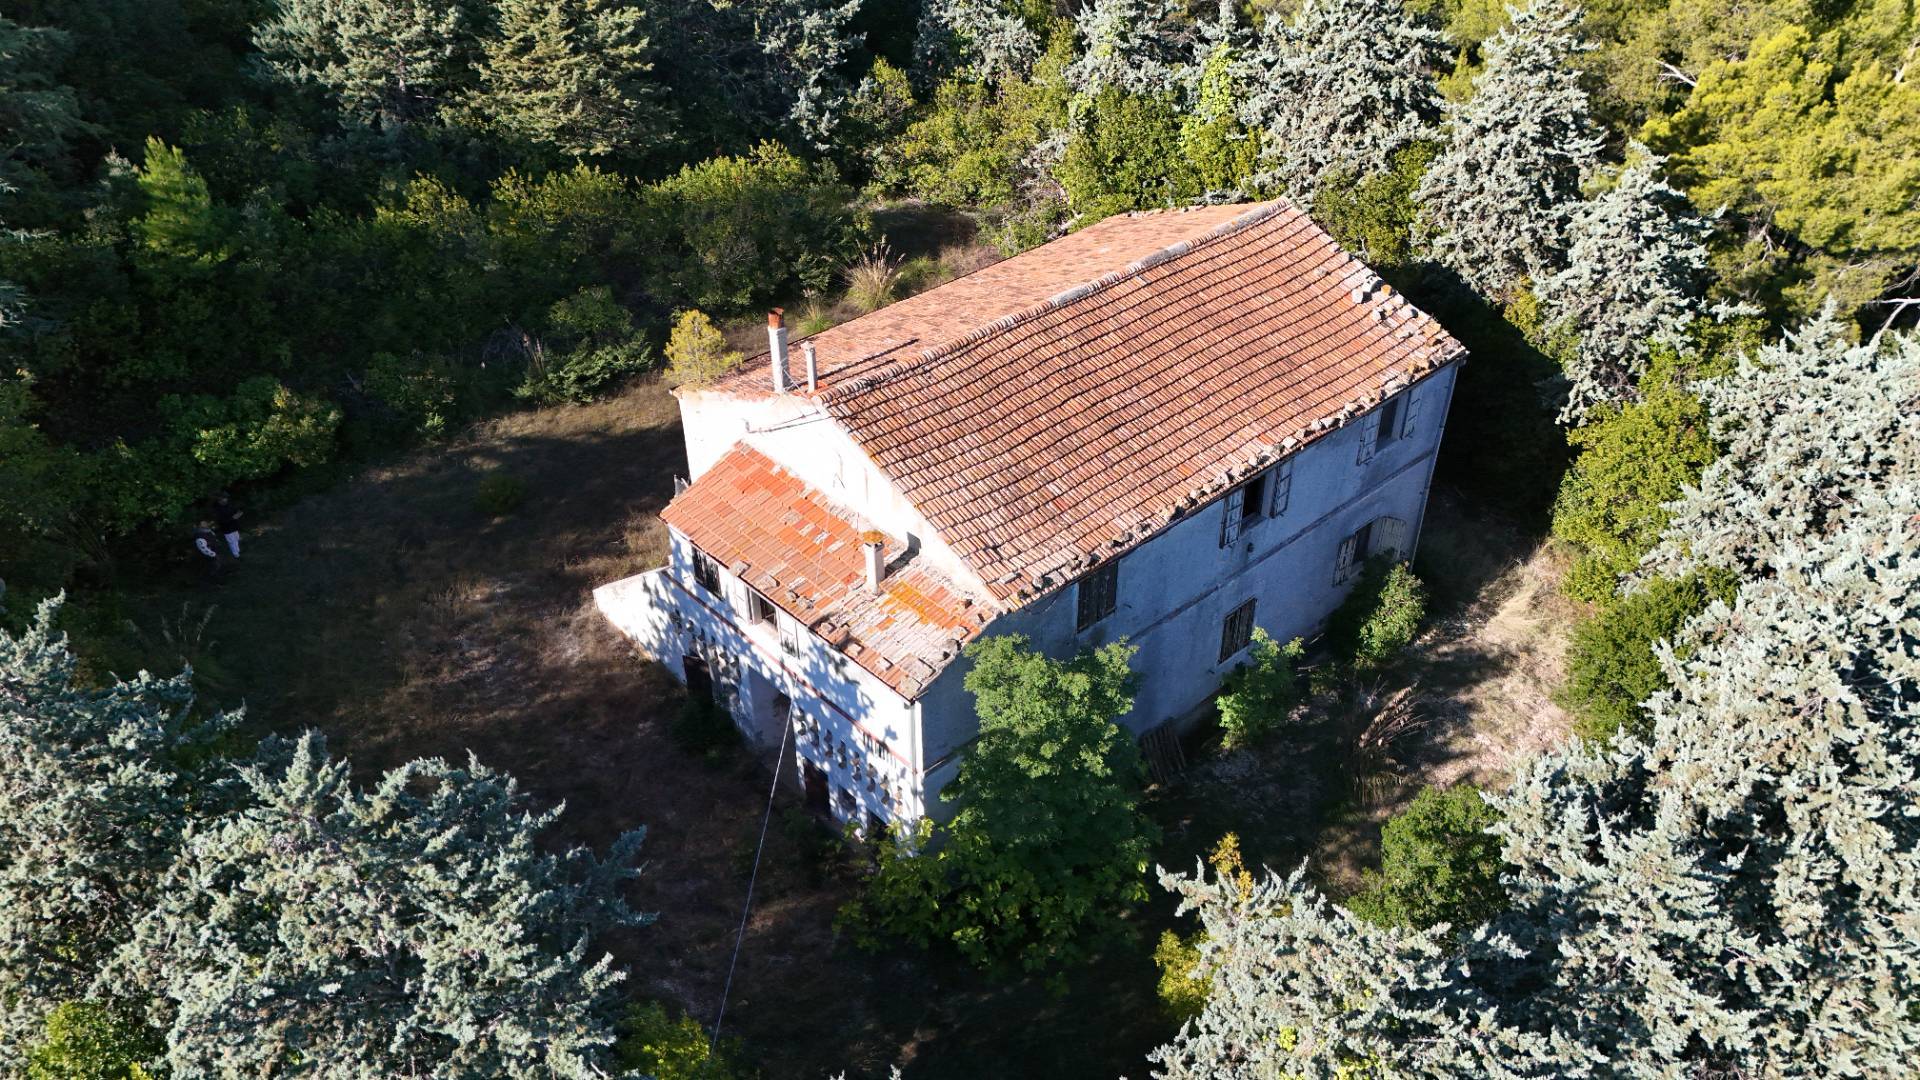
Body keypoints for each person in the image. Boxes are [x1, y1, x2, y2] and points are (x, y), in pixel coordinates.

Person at [213, 492, 243, 559]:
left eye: (226, 498)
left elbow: (235, 510)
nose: (226, 499)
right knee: (232, 541)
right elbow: (221, 520)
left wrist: (239, 512)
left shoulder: (228, 504)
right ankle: (236, 555)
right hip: (226, 528)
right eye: (224, 498)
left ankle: (238, 551)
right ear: (219, 499)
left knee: (237, 538)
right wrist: (233, 518)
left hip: (234, 526)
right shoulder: (216, 509)